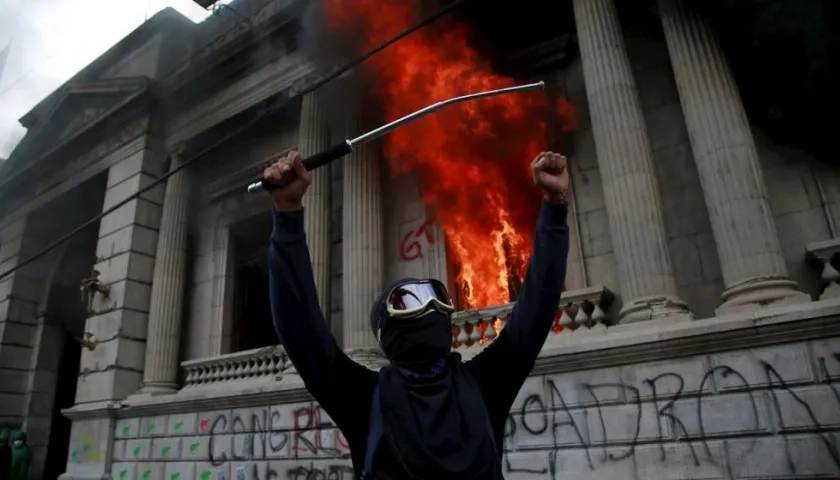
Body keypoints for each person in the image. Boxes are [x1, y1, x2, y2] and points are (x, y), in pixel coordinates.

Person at [266, 149, 570, 480]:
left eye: (437, 296)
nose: (429, 306)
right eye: (408, 299)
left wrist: (555, 206)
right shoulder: (365, 400)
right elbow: (301, 329)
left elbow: (536, 307)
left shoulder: (484, 384)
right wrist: (287, 213)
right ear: (386, 330)